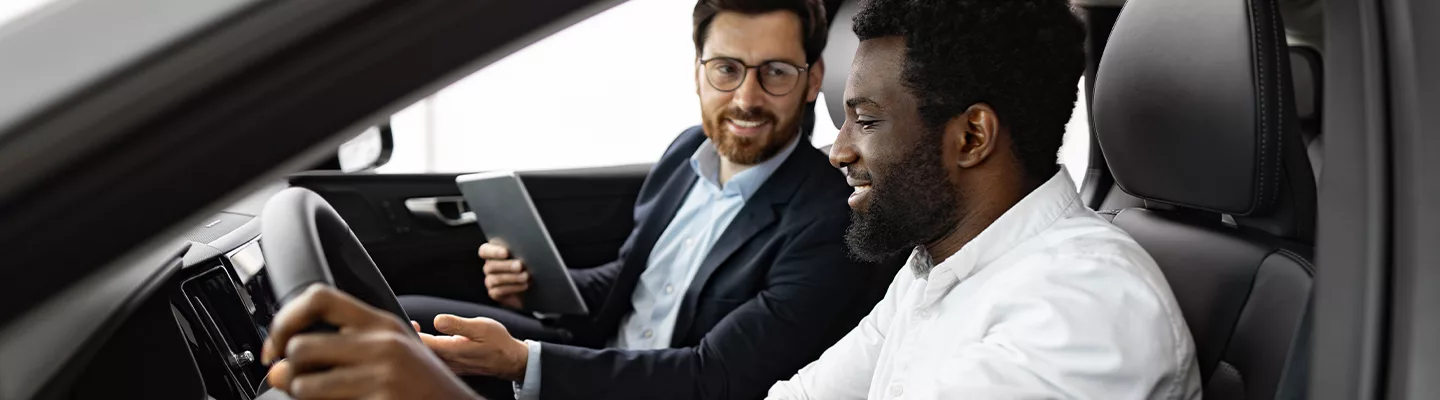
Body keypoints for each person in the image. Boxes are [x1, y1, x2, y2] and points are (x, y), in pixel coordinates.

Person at [261, 0, 897, 399]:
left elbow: (714, 379)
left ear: (814, 79)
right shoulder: (684, 152)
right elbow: (628, 282)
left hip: (658, 387)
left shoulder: (825, 220)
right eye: (726, 69)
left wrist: (524, 362)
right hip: (602, 356)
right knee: (399, 317)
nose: (747, 99)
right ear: (698, 69)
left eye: (776, 73)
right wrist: (536, 281)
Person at [764, 0, 1203, 399]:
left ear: (972, 137)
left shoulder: (1083, 305)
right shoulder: (936, 267)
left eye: (866, 121)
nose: (838, 151)